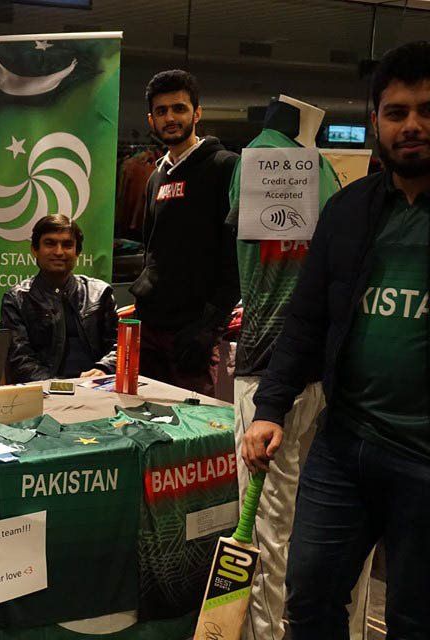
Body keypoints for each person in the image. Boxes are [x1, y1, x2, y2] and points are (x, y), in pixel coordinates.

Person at [242, 41, 430, 639]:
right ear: (376, 121)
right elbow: (306, 320)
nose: (413, 125)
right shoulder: (349, 209)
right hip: (344, 445)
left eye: (427, 109)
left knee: (414, 619)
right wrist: (271, 407)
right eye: (397, 113)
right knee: (310, 598)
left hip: (424, 460)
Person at [130, 69, 239, 396]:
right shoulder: (155, 178)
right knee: (141, 419)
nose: (170, 118)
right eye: (161, 111)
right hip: (149, 325)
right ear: (151, 120)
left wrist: (209, 327)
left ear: (197, 113)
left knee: (191, 433)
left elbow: (234, 256)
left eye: (179, 108)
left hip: (192, 333)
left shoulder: (225, 166)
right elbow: (152, 252)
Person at [1, 214, 117, 382]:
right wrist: (61, 386)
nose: (59, 252)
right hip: (45, 392)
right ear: (35, 250)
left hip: (97, 387)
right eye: (50, 243)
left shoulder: (100, 292)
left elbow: (120, 347)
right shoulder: (16, 299)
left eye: (67, 245)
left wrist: (103, 369)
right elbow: (19, 361)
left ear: (77, 252)